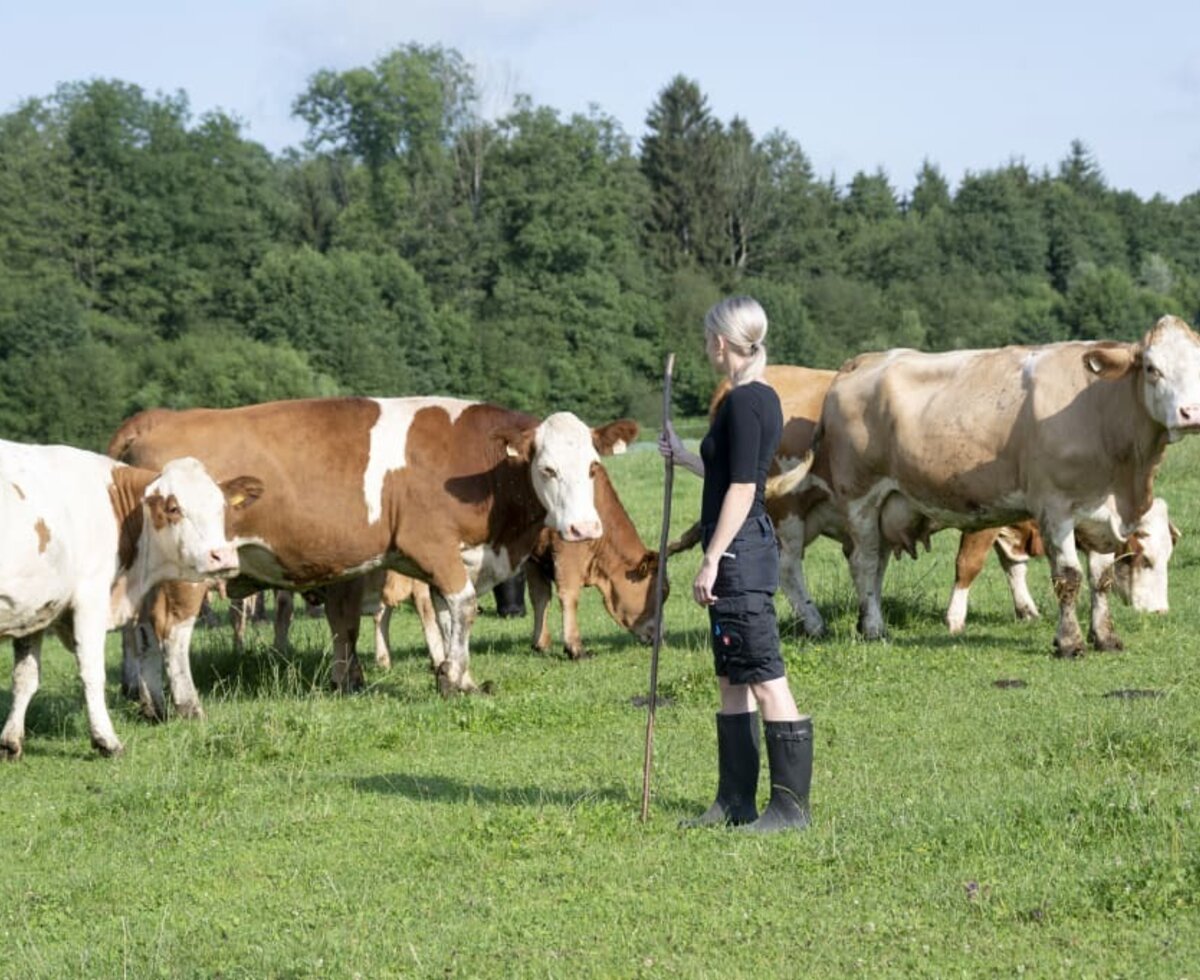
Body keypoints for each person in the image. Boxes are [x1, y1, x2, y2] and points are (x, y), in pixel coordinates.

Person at [658, 296, 812, 833]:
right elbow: (729, 473)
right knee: (732, 676)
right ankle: (734, 803)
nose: (707, 350)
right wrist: (684, 456)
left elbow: (746, 488)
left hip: (741, 553)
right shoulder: (745, 400)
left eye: (708, 341)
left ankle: (790, 810)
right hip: (738, 550)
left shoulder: (748, 402)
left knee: (766, 676)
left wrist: (712, 556)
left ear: (721, 343)